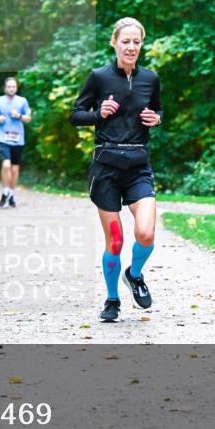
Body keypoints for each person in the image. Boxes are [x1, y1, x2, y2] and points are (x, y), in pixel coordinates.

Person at [70, 17, 162, 322]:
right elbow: (75, 115)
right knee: (116, 241)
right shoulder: (98, 77)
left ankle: (134, 275)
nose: (131, 47)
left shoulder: (151, 78)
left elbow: (158, 109)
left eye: (137, 42)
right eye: (126, 41)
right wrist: (98, 114)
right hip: (106, 169)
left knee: (146, 233)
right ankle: (112, 300)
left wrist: (156, 118)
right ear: (115, 43)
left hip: (138, 167)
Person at [0, 77, 31, 208]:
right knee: (6, 165)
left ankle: (11, 194)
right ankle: (5, 191)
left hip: (18, 138)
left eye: (13, 87)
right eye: (9, 87)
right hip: (3, 137)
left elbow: (28, 118)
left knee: (14, 169)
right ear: (5, 88)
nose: (11, 89)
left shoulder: (22, 101)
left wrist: (18, 116)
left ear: (16, 88)